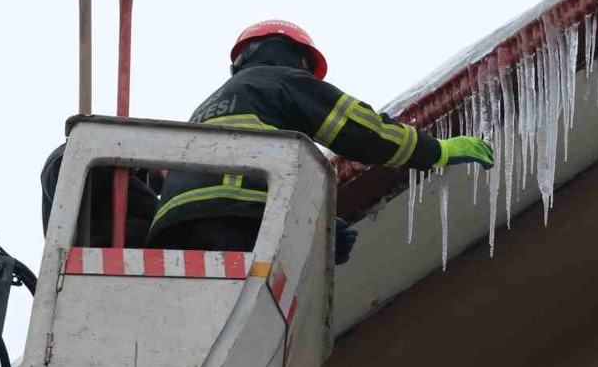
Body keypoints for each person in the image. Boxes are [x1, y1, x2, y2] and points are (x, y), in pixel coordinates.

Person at [148, 20, 494, 264]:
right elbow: (361, 130)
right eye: (304, 65)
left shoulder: (207, 106)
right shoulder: (277, 81)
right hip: (233, 219)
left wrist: (317, 229)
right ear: (288, 54)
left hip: (171, 231)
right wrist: (436, 151)